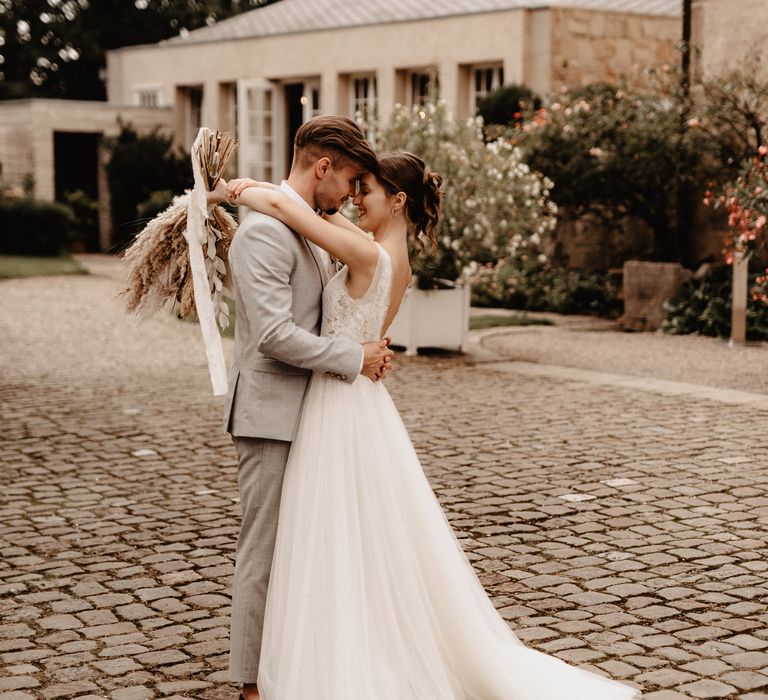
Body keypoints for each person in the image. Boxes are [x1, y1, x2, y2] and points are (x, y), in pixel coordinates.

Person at [216, 152, 641, 699]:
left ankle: (326, 655)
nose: (353, 198)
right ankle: (339, 642)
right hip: (350, 398)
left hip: (337, 404)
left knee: (328, 532)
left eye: (364, 189)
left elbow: (287, 207)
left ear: (397, 201)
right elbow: (318, 222)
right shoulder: (390, 254)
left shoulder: (367, 253)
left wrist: (233, 191)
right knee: (350, 534)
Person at [220, 115, 393, 700]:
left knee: (305, 548)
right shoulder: (264, 233)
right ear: (322, 167)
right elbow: (272, 335)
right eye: (346, 181)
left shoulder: (308, 223)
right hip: (271, 412)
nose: (348, 194)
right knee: (264, 549)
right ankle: (249, 683)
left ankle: (291, 665)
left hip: (316, 415)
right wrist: (354, 356)